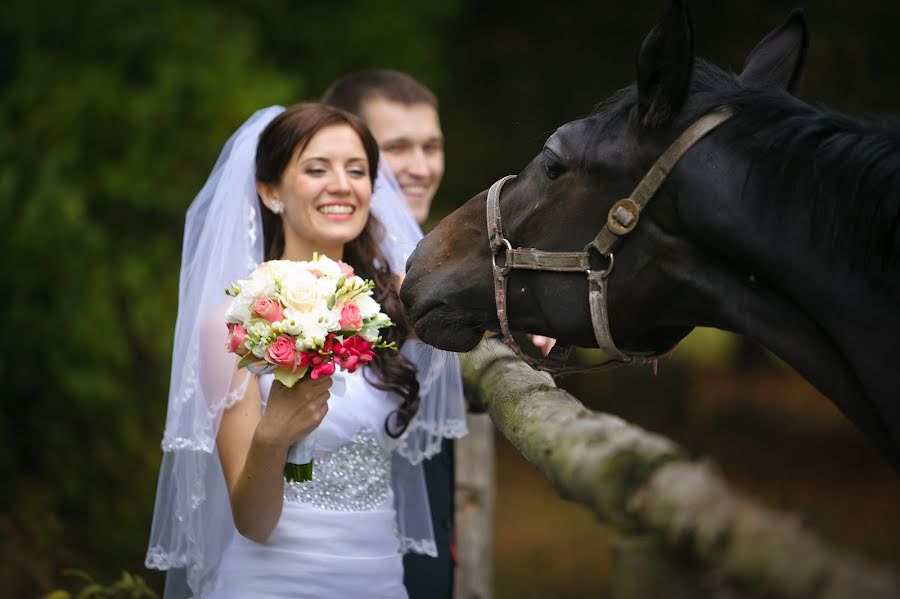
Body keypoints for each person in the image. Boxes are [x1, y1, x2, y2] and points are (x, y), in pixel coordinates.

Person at [145, 103, 467, 598]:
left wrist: (526, 328)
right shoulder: (231, 326)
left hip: (380, 579)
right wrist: (274, 435)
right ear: (271, 190)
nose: (342, 185)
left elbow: (483, 317)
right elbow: (253, 521)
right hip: (272, 582)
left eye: (357, 171)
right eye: (316, 169)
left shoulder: (395, 303)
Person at [321, 70, 458, 598]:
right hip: (340, 547)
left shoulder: (434, 254)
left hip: (426, 537)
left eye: (432, 147)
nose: (421, 168)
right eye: (398, 148)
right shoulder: (314, 279)